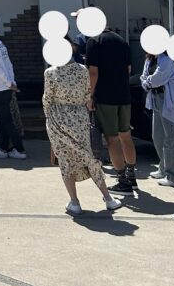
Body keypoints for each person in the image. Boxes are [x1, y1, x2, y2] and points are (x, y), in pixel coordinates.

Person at [43, 39, 123, 215]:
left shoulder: (50, 73)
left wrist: (48, 118)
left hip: (58, 118)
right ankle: (108, 198)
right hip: (80, 117)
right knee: (88, 156)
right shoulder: (82, 70)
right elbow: (88, 93)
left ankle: (75, 202)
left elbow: (47, 99)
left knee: (65, 160)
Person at [85, 25, 136, 194]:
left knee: (112, 139)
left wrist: (89, 95)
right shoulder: (121, 41)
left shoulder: (94, 41)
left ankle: (122, 181)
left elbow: (93, 72)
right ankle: (131, 176)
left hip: (106, 97)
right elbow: (128, 69)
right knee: (126, 136)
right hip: (124, 95)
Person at [141, 50, 174, 187]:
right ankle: (164, 168)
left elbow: (158, 78)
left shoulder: (166, 59)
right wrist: (147, 82)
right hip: (155, 99)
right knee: (158, 137)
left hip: (168, 101)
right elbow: (144, 77)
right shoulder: (149, 59)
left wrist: (148, 82)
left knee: (171, 139)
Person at [0, 29, 26, 160]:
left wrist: (9, 83)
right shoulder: (0, 44)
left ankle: (19, 149)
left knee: (6, 121)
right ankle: (2, 148)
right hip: (6, 87)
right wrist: (12, 82)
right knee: (2, 120)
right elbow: (8, 64)